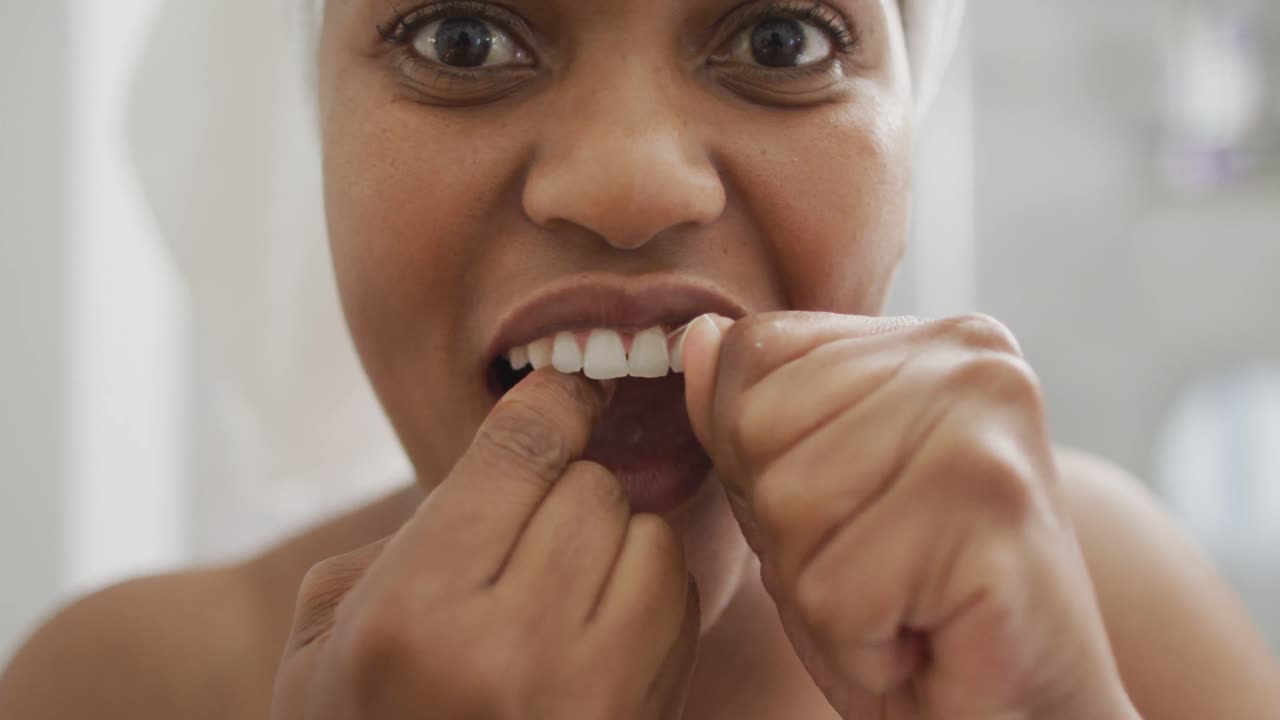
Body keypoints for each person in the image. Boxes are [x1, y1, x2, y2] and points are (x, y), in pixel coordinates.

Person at [2, 0, 1277, 717]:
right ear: (311, 131)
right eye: (461, 39)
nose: (628, 181)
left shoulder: (1096, 605)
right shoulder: (121, 686)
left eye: (781, 38)